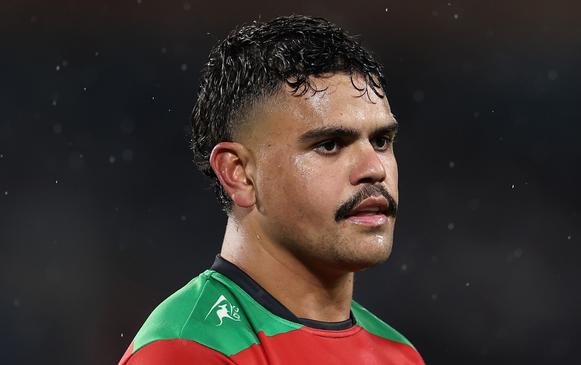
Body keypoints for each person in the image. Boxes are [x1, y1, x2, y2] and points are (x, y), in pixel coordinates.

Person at [118, 14, 425, 364]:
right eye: (329, 144)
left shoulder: (399, 354)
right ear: (240, 174)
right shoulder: (192, 348)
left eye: (382, 141)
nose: (374, 169)